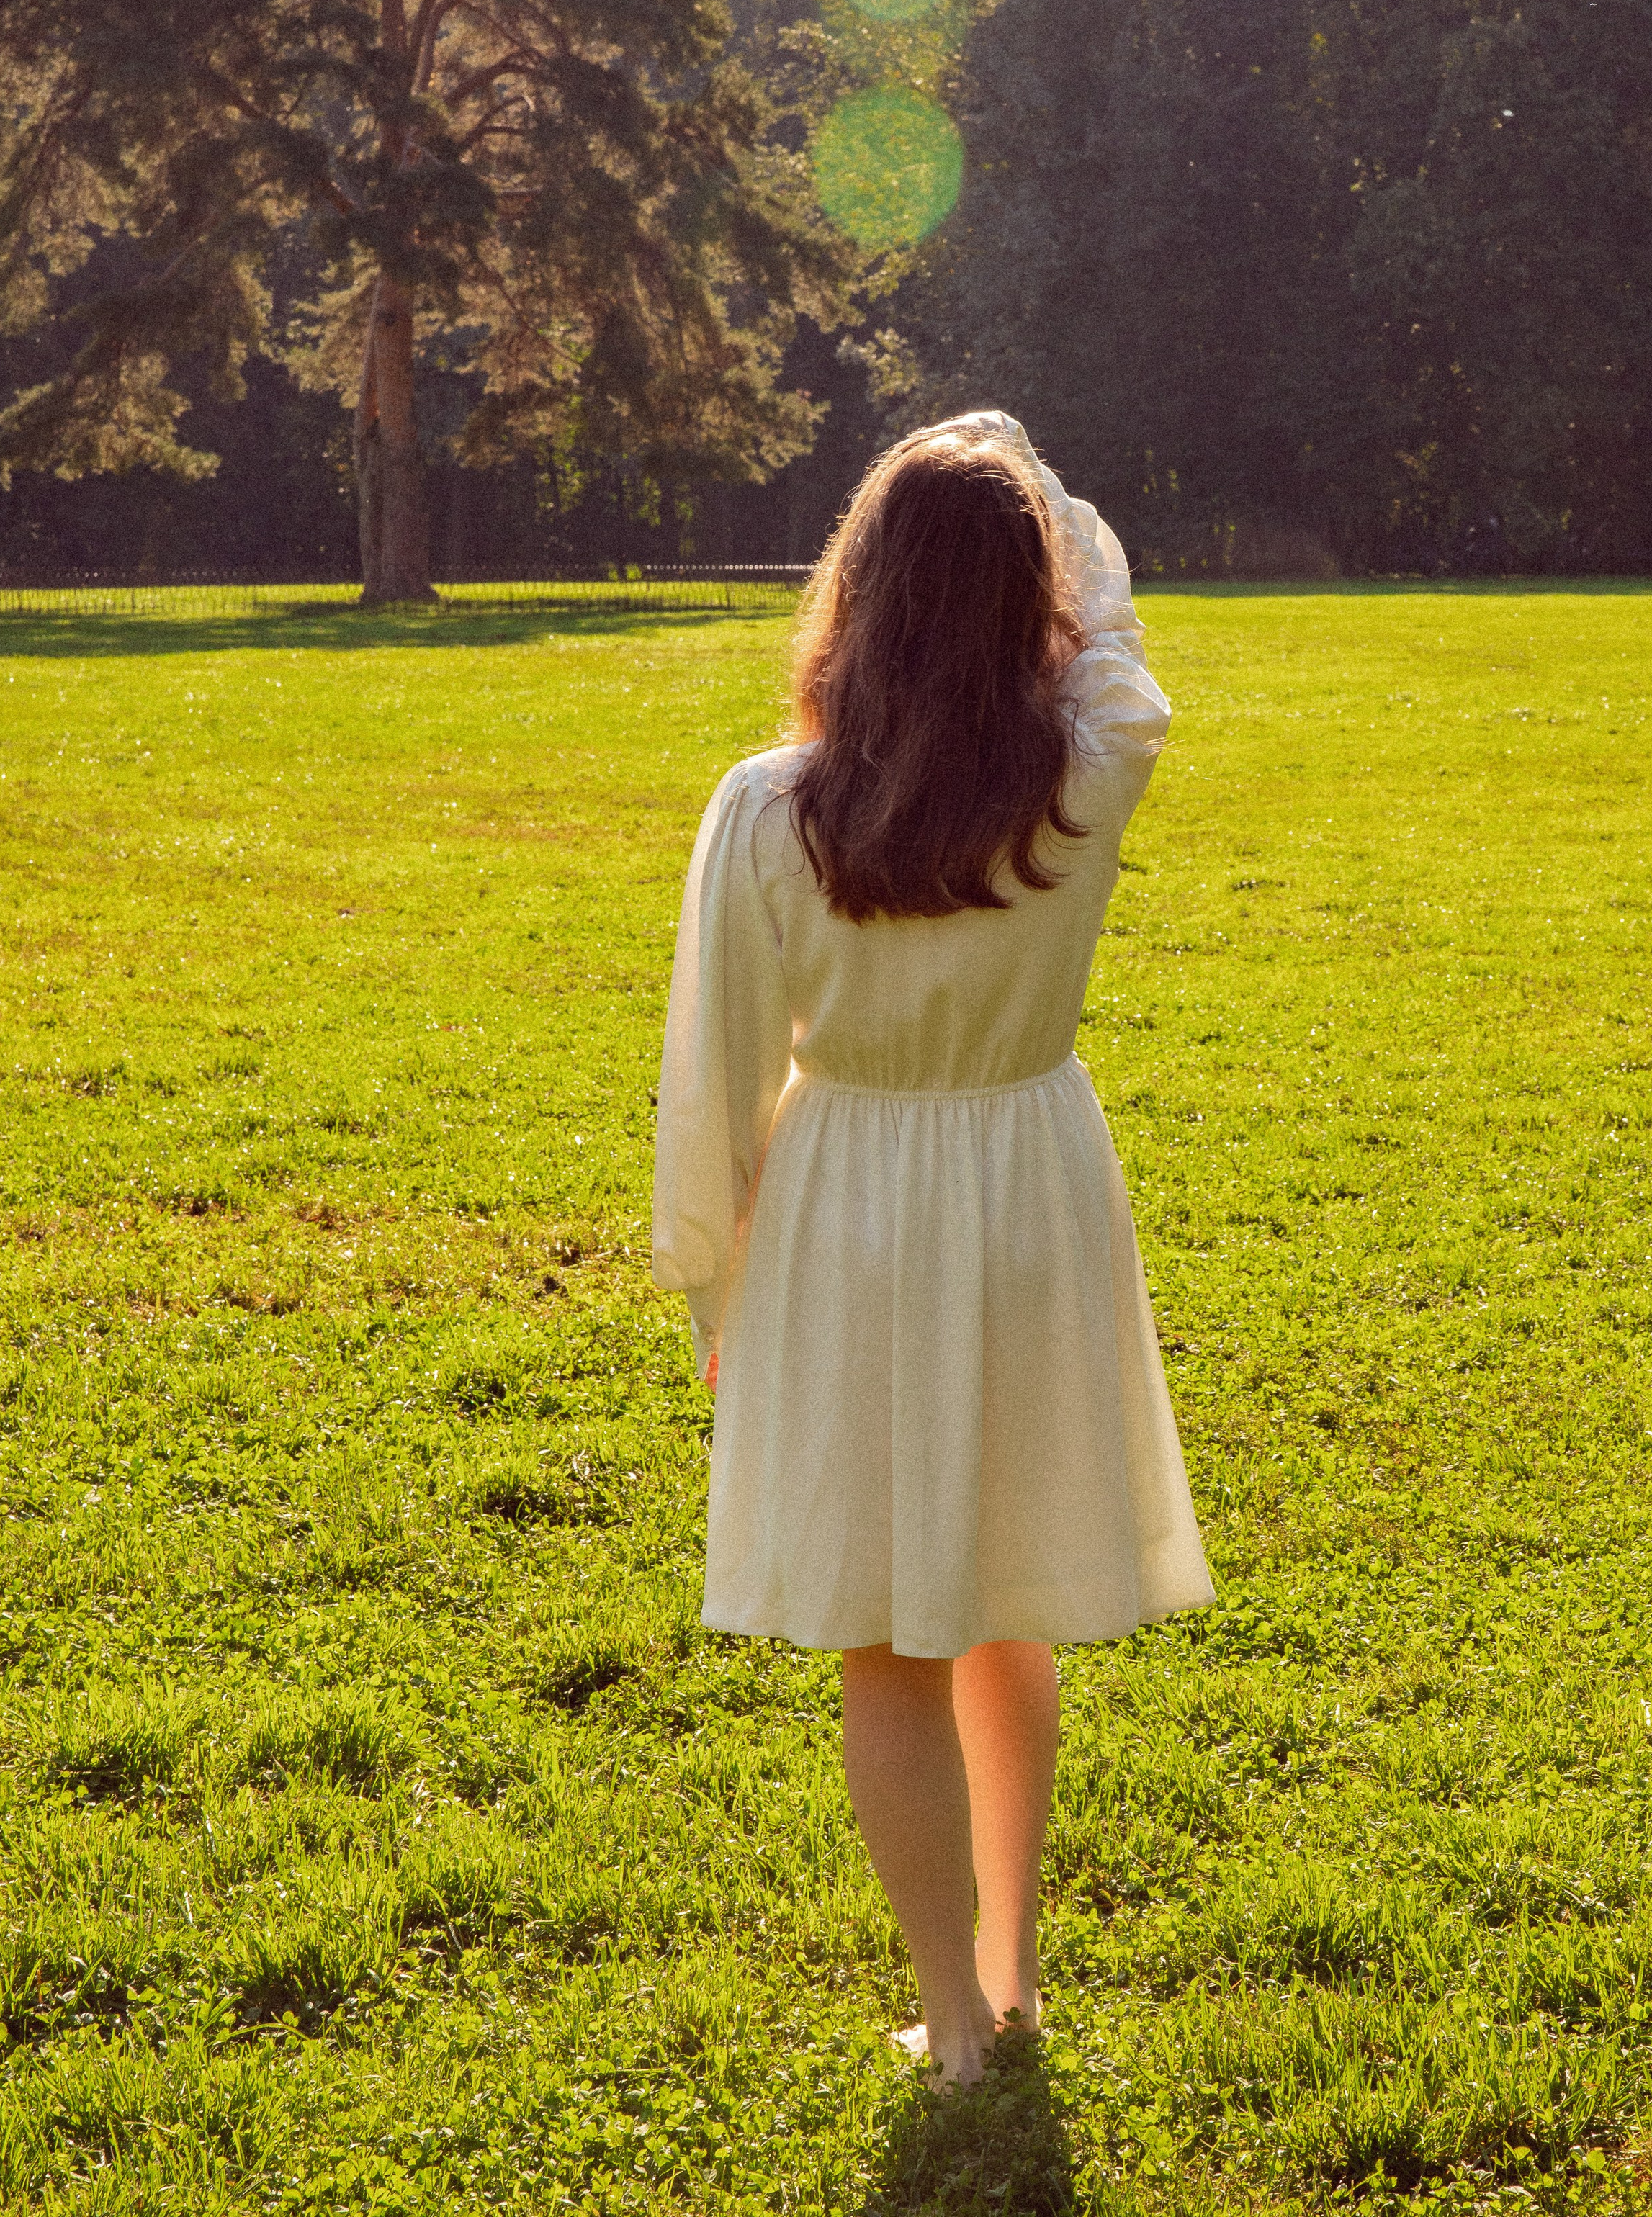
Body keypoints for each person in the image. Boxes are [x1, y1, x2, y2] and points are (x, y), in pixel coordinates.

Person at [652, 411, 1213, 2088]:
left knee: (887, 1637)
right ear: (1026, 600)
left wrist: (713, 1280)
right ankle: (1006, 1968)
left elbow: (718, 1074)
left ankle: (956, 2017)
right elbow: (1113, 636)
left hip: (844, 1209)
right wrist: (1032, 481)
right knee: (1005, 1596)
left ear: (859, 593)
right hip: (1025, 1184)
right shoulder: (1086, 764)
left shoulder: (772, 809)